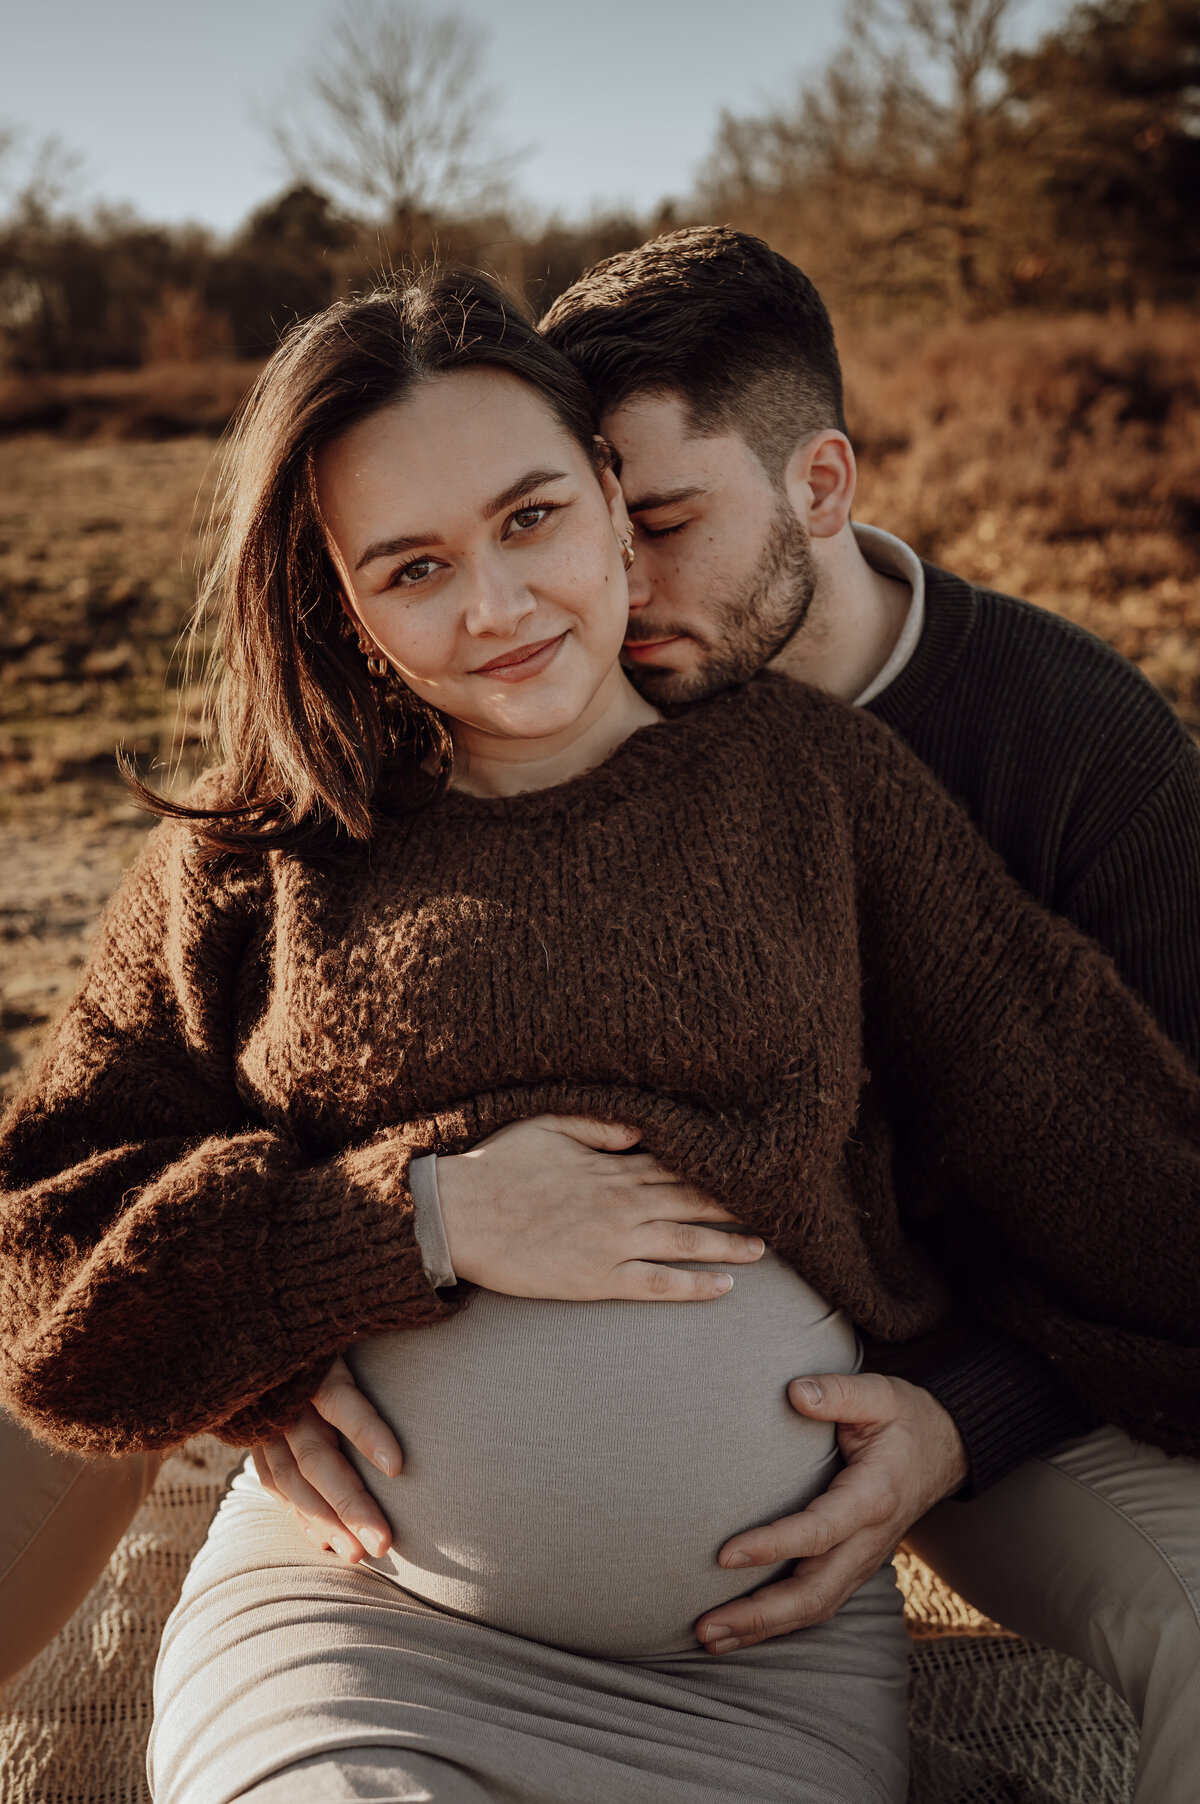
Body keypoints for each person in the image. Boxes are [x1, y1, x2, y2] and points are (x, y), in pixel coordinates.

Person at [2, 267, 1199, 1804]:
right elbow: (49, 1240)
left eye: (531, 520)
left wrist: (975, 1414)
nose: (497, 608)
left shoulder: (817, 792)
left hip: (750, 1674)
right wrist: (405, 1225)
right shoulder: (262, 848)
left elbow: (1092, 1137)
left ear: (609, 508)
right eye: (414, 567)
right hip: (367, 1637)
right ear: (343, 601)